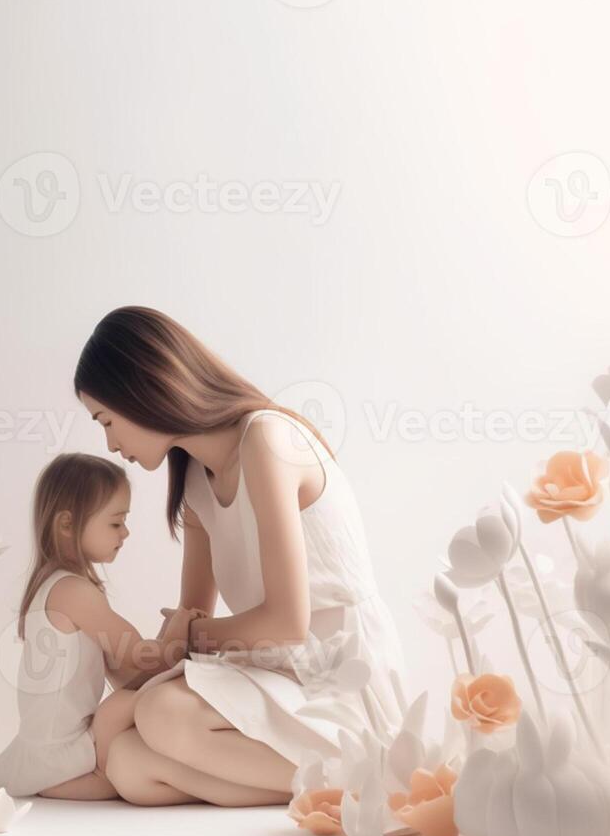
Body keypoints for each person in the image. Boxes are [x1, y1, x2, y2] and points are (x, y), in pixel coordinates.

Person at [74, 306, 408, 806]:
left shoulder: (266, 441)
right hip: (273, 673)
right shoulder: (192, 480)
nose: (110, 442)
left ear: (142, 390)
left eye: (107, 420)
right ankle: (334, 786)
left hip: (335, 679)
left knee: (162, 713)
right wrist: (155, 649)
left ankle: (369, 770)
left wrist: (186, 637)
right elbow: (196, 621)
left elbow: (287, 622)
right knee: (127, 763)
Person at [0, 452, 200, 799]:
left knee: (128, 700)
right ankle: (102, 775)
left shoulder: (55, 586)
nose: (126, 532)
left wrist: (163, 644)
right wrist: (177, 633)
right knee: (123, 707)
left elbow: (125, 671)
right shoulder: (74, 593)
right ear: (67, 524)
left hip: (43, 749)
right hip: (60, 756)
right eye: (116, 522)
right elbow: (143, 659)